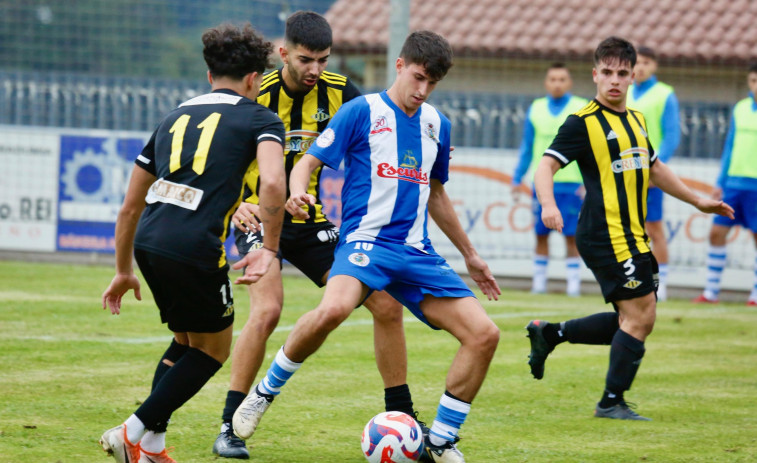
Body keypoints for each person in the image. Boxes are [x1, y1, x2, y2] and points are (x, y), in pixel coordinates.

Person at [231, 30, 501, 463]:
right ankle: (263, 394)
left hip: (417, 252)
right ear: (399, 65)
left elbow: (436, 195)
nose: (423, 90)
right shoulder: (361, 111)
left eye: (432, 84)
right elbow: (306, 164)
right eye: (418, 78)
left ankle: (440, 441)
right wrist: (297, 191)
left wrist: (471, 255)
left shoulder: (437, 125)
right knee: (334, 310)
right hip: (366, 244)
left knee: (485, 335)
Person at [212, 11, 417, 460]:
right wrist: (237, 205)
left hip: (309, 222)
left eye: (323, 60)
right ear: (283, 53)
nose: (315, 70)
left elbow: (383, 130)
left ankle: (402, 417)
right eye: (306, 60)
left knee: (386, 303)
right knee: (267, 312)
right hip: (257, 221)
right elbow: (215, 162)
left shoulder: (343, 93)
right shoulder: (254, 91)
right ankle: (230, 424)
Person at [99, 23, 286, 463]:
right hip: (195, 246)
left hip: (149, 241)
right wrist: (270, 248)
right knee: (215, 350)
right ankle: (131, 430)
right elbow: (274, 182)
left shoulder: (174, 117)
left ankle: (150, 448)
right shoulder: (261, 117)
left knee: (186, 341)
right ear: (254, 80)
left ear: (209, 74)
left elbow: (129, 207)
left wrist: (124, 270)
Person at [528, 37, 734, 421]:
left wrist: (698, 200)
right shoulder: (582, 123)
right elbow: (546, 166)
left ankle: (551, 334)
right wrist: (549, 204)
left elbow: (655, 168)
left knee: (637, 317)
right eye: (607, 73)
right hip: (603, 233)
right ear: (594, 75)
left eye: (623, 74)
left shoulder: (636, 120)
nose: (615, 81)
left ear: (633, 77)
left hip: (632, 232)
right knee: (640, 316)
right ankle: (610, 402)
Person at [512, 63, 588, 296]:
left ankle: (573, 286)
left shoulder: (581, 107)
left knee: (571, 235)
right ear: (546, 83)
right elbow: (527, 146)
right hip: (542, 184)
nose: (557, 83)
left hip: (572, 183)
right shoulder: (536, 108)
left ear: (569, 83)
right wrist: (517, 177)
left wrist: (588, 181)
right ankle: (539, 284)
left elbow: (590, 148)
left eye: (562, 79)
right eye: (553, 79)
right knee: (540, 233)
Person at [693, 62, 757, 305]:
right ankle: (711, 292)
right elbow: (730, 146)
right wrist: (721, 181)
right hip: (733, 185)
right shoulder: (740, 108)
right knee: (716, 233)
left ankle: (755, 295)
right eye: (753, 81)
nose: (755, 86)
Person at [628, 46, 681, 301]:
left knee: (654, 228)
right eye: (636, 63)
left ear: (654, 66)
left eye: (646, 62)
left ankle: (664, 283)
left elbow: (671, 136)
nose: (640, 67)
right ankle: (632, 280)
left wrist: (654, 170)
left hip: (649, 176)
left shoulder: (664, 94)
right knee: (626, 228)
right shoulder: (623, 91)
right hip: (624, 174)